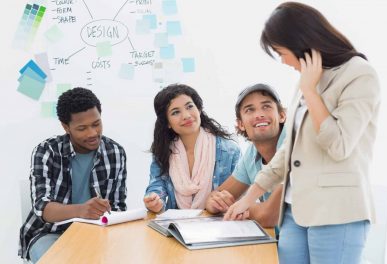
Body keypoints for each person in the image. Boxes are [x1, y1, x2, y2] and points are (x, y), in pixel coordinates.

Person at [224, 2, 380, 264]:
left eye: (282, 52)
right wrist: (247, 199)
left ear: (301, 43)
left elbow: (339, 145)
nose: (284, 61)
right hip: (295, 211)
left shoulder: (358, 74)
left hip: (336, 212)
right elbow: (289, 151)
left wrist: (310, 90)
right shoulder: (308, 79)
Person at [18, 87, 127, 262]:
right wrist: (81, 210)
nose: (92, 133)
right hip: (50, 233)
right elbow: (42, 207)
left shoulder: (115, 152)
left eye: (96, 124)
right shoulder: (47, 151)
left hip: (97, 233)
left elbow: (118, 206)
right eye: (82, 128)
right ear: (65, 126)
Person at [143, 84, 240, 212]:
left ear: (199, 109)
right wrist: (155, 200)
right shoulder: (163, 151)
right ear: (167, 123)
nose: (186, 115)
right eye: (175, 112)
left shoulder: (229, 150)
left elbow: (241, 195)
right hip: (177, 227)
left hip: (220, 225)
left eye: (189, 106)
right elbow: (157, 185)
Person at [205, 83, 286, 227]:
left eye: (266, 106)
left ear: (281, 115)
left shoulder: (294, 145)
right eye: (250, 110)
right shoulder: (252, 152)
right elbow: (220, 195)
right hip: (275, 241)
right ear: (241, 124)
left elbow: (269, 215)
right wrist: (214, 202)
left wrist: (240, 206)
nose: (259, 114)